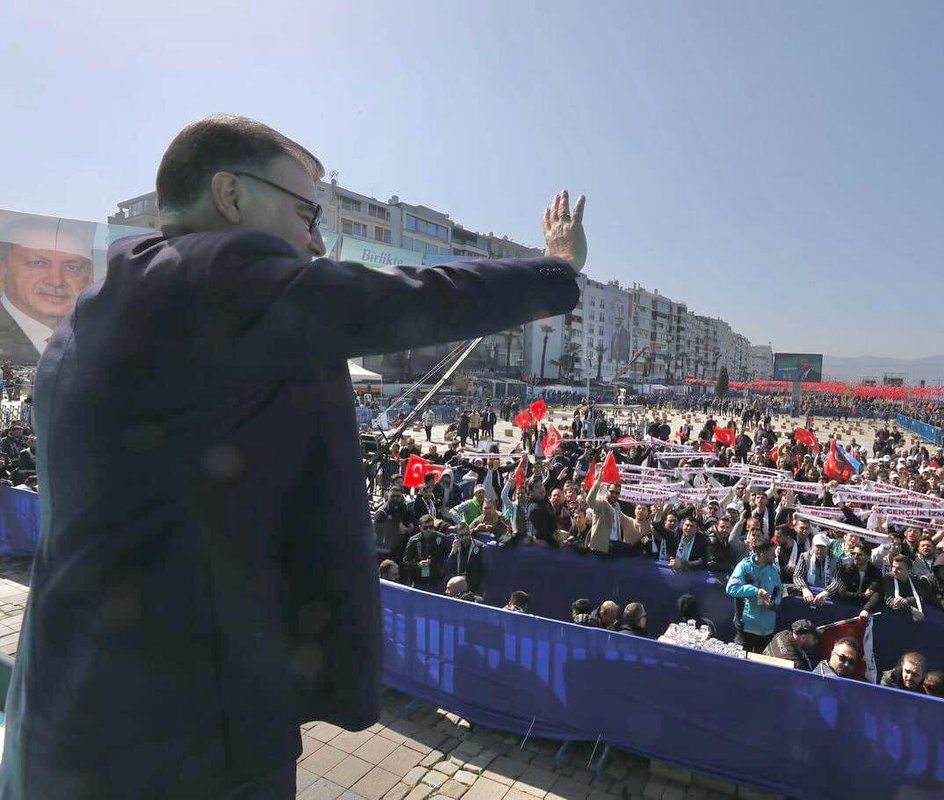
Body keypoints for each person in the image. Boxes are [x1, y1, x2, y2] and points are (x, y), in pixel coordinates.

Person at [0, 115, 588, 799]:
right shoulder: (216, 278)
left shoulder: (105, 302)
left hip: (71, 700)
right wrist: (556, 270)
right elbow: (413, 296)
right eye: (306, 211)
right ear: (230, 194)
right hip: (181, 730)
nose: (314, 237)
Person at [0, 214, 96, 364]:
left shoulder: (102, 337)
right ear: (3, 269)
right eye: (38, 263)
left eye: (72, 267)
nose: (56, 281)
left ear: (89, 277)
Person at [725, 540, 783, 653]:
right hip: (746, 627)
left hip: (767, 629)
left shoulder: (774, 570)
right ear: (762, 553)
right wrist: (755, 591)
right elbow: (731, 589)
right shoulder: (744, 566)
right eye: (772, 553)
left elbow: (779, 591)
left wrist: (774, 603)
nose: (775, 555)